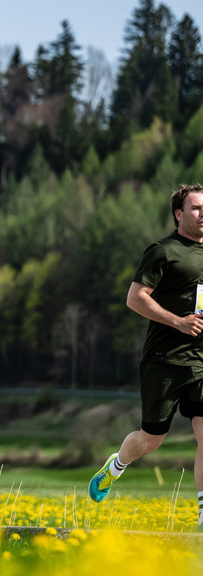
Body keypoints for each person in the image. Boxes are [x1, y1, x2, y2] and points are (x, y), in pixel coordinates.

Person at [89, 184, 203, 527]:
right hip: (164, 358)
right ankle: (116, 466)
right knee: (152, 439)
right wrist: (178, 322)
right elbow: (136, 298)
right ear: (179, 214)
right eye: (196, 208)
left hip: (201, 359)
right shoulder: (163, 251)